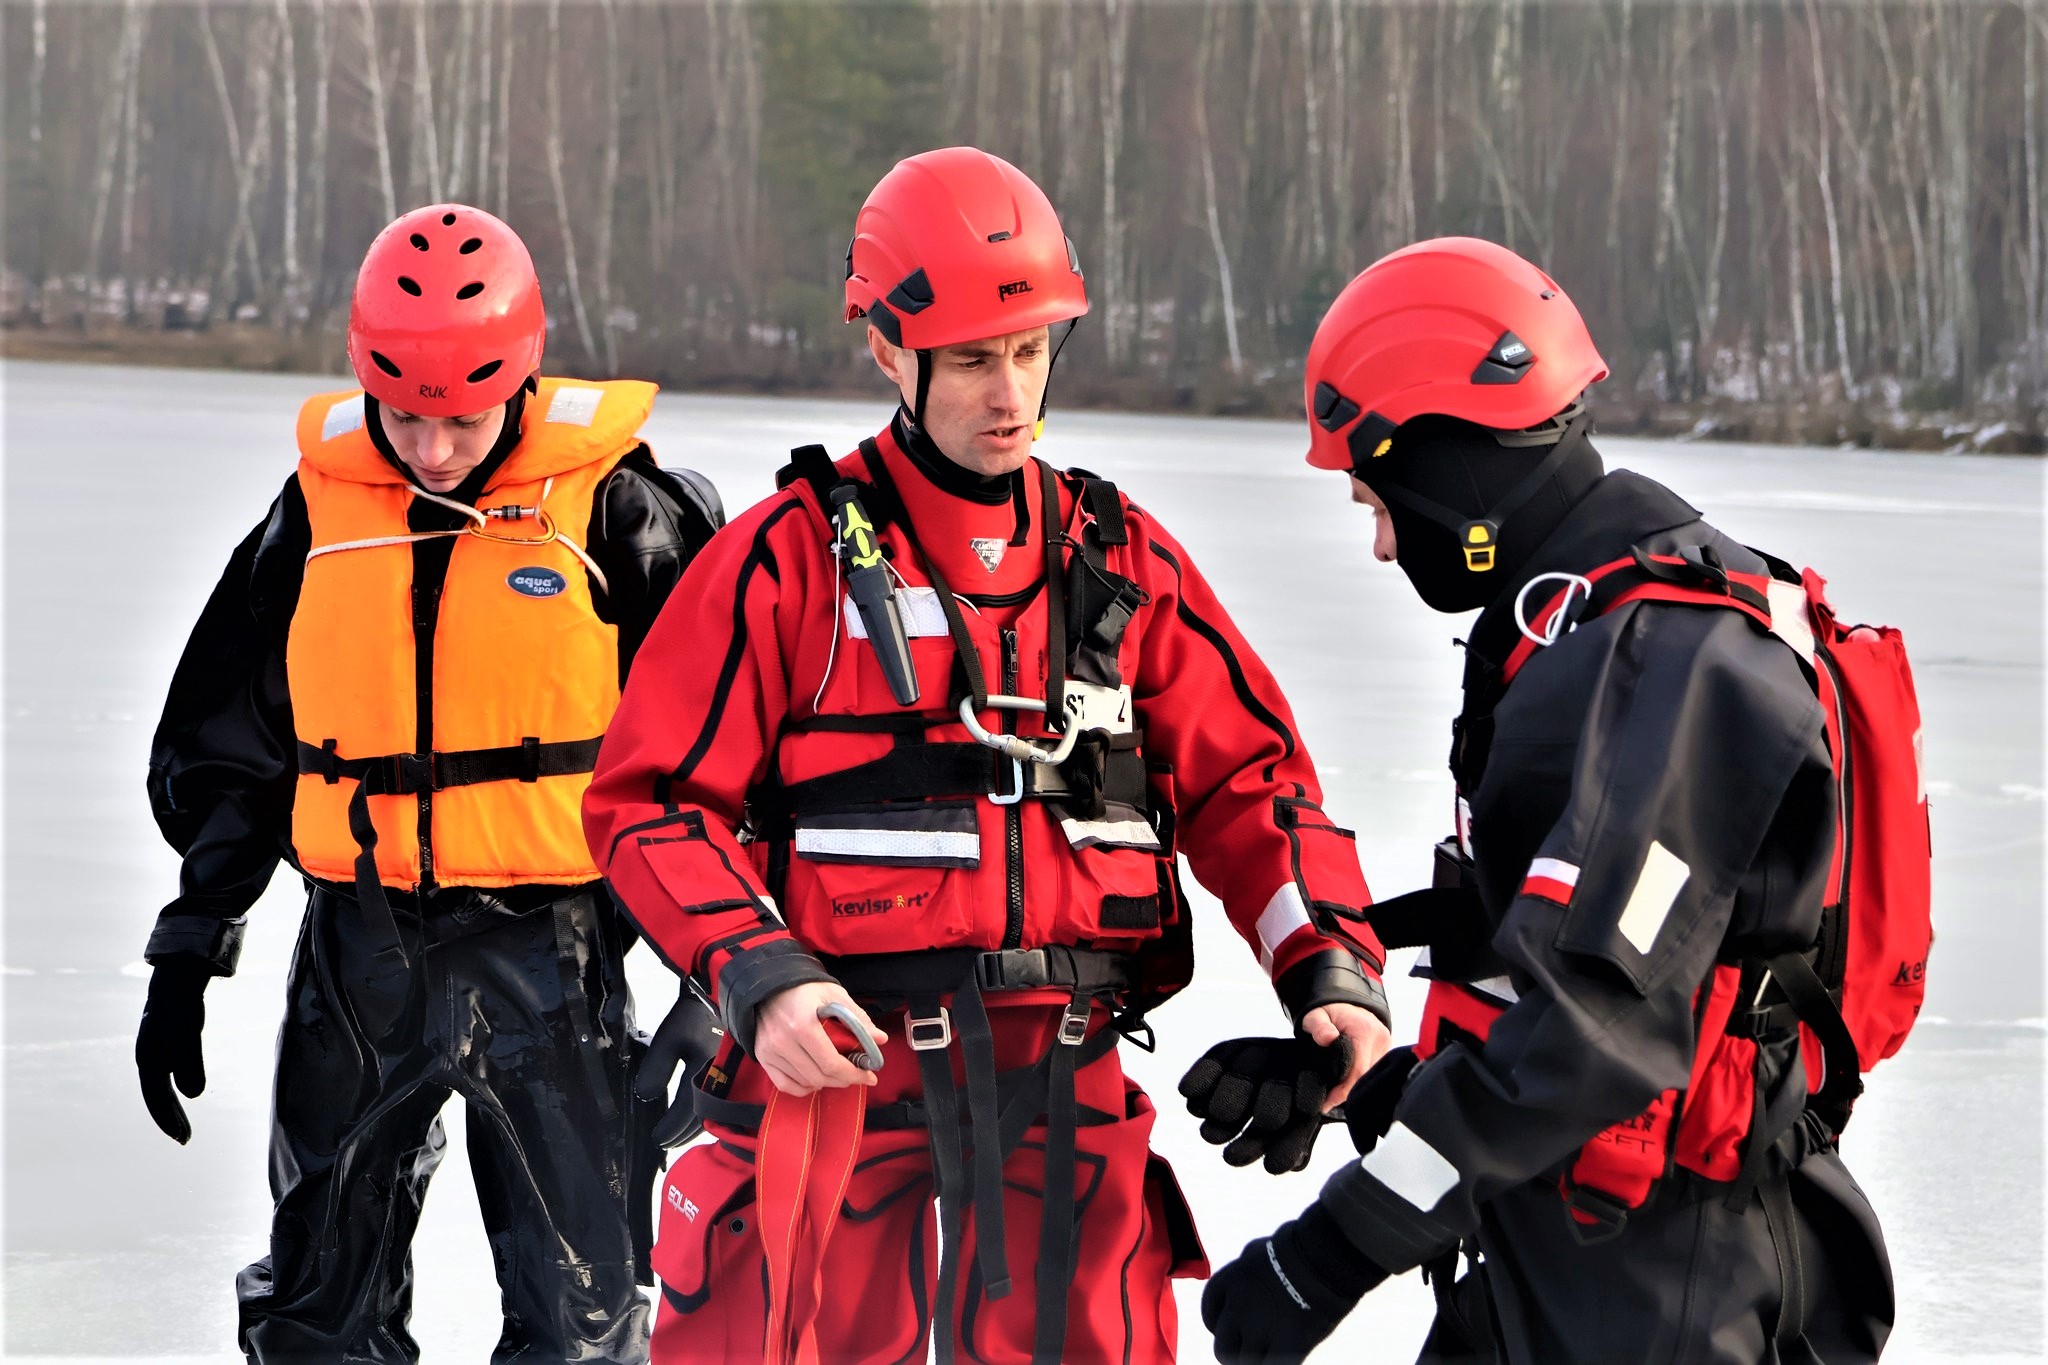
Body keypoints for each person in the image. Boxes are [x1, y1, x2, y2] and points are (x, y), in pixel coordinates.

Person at [583, 146, 1395, 1365]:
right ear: (885, 352)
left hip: (1059, 1070)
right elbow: (650, 803)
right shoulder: (784, 561)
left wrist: (1330, 972)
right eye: (970, 360)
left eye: (1027, 353)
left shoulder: (1121, 560)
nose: (1008, 394)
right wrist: (758, 974)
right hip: (832, 1063)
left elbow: (1252, 786)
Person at [1198, 236, 1899, 1363]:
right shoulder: (1573, 626)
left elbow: (1594, 1029)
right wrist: (1376, 1087)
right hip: (1558, 1253)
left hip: (1669, 1284)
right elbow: (1531, 980)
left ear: (1446, 462)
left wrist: (1329, 1252)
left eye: (1375, 500)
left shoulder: (1673, 656)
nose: (1379, 546)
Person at [134, 203, 724, 1362]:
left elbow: (719, 769)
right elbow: (236, 743)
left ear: (521, 373)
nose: (431, 447)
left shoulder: (624, 517)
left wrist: (713, 992)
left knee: (579, 1319)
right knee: (316, 1309)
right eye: (402, 414)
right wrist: (193, 935)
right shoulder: (314, 512)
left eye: (459, 417)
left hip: (553, 960)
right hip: (360, 958)